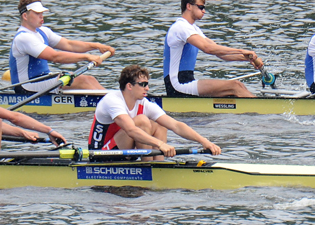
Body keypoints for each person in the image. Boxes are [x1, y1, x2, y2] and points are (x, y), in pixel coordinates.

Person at [89, 65, 221, 160]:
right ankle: (148, 167)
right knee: (142, 121)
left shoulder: (144, 103)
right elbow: (131, 130)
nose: (147, 88)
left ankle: (158, 164)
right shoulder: (113, 101)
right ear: (129, 86)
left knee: (160, 124)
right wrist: (161, 144)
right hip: (102, 154)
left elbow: (176, 125)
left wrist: (204, 142)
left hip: (124, 151)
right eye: (143, 84)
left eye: (147, 84)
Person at [164, 0, 265, 98]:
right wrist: (242, 51)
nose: (204, 11)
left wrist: (249, 58)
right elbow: (208, 48)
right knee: (235, 86)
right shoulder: (180, 27)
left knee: (240, 86)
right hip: (177, 85)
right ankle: (264, 108)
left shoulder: (193, 29)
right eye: (201, 7)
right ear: (189, 6)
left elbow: (218, 52)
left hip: (187, 82)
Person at [10, 0, 113, 92]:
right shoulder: (24, 38)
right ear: (25, 16)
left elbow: (69, 44)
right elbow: (55, 57)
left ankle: (112, 100)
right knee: (83, 81)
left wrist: (97, 46)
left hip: (43, 79)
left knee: (90, 79)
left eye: (42, 13)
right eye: (37, 13)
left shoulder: (43, 31)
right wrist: (87, 57)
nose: (41, 16)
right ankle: (110, 102)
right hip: (26, 86)